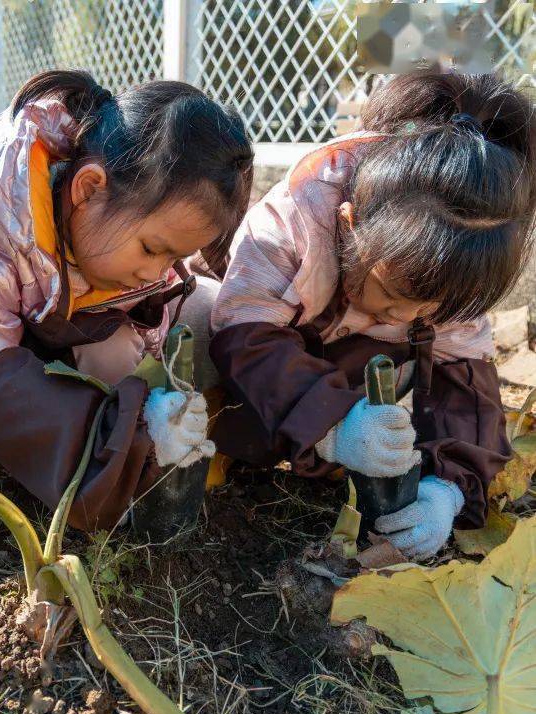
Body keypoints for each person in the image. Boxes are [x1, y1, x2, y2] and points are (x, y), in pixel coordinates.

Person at [209, 71, 536, 560]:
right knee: (200, 329)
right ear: (350, 222)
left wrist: (449, 489)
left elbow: (465, 383)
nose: (406, 313)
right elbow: (242, 333)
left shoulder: (455, 273)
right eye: (392, 290)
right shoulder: (297, 215)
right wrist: (335, 424)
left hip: (339, 368)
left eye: (433, 305)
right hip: (252, 366)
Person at [0, 69, 254, 534]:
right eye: (153, 249)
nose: (158, 271)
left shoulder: (118, 249)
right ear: (89, 189)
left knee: (117, 349)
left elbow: (157, 323)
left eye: (176, 256)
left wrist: (156, 414)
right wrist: (114, 446)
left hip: (39, 337)